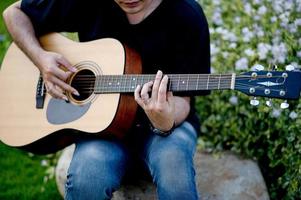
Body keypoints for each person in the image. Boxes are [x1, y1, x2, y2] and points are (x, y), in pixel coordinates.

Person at [3, 0, 210, 199]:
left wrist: (164, 121)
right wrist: (41, 59)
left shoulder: (187, 15)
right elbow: (14, 13)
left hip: (166, 128)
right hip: (102, 129)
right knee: (87, 178)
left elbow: (183, 101)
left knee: (174, 170)